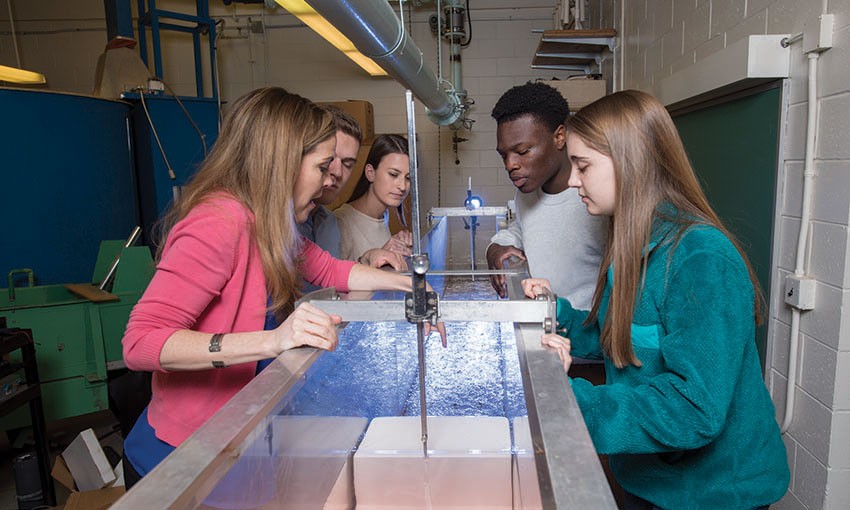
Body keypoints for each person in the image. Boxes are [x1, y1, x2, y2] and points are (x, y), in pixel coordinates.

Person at [121, 88, 440, 488]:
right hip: (178, 458)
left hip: (237, 436)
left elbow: (333, 271)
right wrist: (273, 340)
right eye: (322, 167)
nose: (329, 181)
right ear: (283, 163)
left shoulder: (272, 225)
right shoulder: (218, 223)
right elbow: (141, 342)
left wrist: (414, 287)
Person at [523, 90, 789, 509]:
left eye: (583, 165)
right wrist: (554, 314)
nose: (573, 180)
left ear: (630, 164)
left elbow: (694, 408)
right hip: (647, 478)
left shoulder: (701, 258)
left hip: (714, 494)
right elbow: (622, 340)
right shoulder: (633, 244)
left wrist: (569, 403)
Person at [487, 81, 607, 309]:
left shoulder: (596, 200)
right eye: (504, 155)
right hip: (546, 332)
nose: (510, 164)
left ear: (559, 137)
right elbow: (523, 228)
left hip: (590, 337)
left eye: (522, 152)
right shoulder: (527, 192)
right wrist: (495, 247)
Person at [298, 105, 404, 270]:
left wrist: (368, 259)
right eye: (329, 160)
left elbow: (333, 279)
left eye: (347, 164)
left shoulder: (329, 223)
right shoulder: (276, 225)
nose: (337, 172)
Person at [335, 134, 414, 263]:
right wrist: (375, 257)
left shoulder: (383, 215)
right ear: (370, 173)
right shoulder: (340, 222)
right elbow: (330, 282)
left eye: (408, 178)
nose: (403, 186)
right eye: (393, 174)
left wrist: (401, 250)